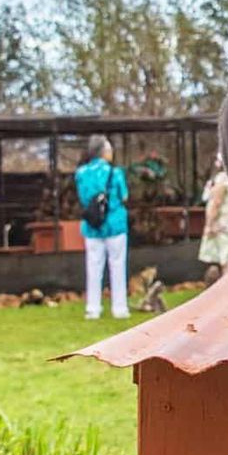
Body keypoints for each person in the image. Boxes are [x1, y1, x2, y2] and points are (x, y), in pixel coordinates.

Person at [75, 134, 130, 320]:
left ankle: (93, 308)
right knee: (117, 265)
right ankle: (119, 308)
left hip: (92, 225)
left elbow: (83, 198)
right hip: (115, 224)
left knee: (93, 266)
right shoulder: (115, 173)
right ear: (104, 152)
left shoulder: (81, 173)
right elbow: (124, 196)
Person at [198, 153, 228, 277]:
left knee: (226, 261)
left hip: (222, 226)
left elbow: (216, 203)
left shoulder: (222, 179)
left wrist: (209, 225)